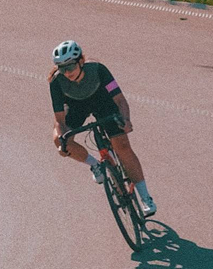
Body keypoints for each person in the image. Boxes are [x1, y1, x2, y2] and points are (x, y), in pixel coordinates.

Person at [49, 39, 156, 216]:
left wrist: (126, 120)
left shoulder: (98, 70)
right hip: (76, 107)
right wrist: (62, 141)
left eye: (70, 67)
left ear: (81, 61)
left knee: (122, 146)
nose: (67, 72)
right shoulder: (56, 82)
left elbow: (120, 100)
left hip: (103, 102)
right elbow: (59, 121)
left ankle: (145, 197)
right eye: (62, 68)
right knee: (59, 140)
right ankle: (95, 165)